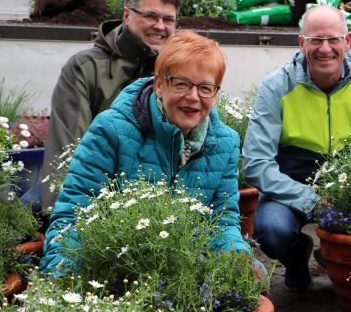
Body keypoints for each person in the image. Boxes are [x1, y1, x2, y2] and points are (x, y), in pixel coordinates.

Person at [40, 31, 250, 272]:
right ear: (159, 84)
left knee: (252, 273)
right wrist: (62, 280)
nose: (193, 97)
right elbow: (73, 216)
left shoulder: (226, 142)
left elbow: (223, 222)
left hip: (186, 267)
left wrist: (237, 261)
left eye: (205, 88)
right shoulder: (111, 130)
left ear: (216, 93)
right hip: (117, 265)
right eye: (181, 84)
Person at [243, 5, 351, 292]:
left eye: (333, 40)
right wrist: (313, 201)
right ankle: (297, 255)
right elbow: (256, 164)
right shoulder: (276, 86)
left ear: (348, 41)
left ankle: (337, 259)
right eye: (316, 40)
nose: (325, 49)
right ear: (301, 43)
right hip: (292, 182)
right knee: (272, 230)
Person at [40, 0, 182, 218]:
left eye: (168, 19)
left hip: (164, 209)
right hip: (97, 201)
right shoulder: (85, 67)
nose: (160, 26)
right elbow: (67, 150)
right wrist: (60, 219)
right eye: (150, 16)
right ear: (127, 15)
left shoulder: (181, 70)